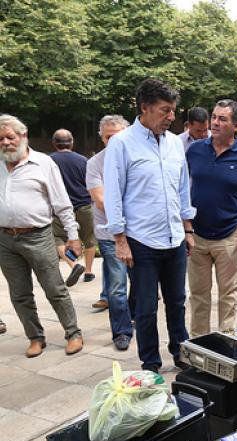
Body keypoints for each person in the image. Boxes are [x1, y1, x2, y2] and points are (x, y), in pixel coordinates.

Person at [102, 78, 196, 373]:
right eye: (165, 110)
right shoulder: (122, 144)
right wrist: (119, 239)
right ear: (144, 108)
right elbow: (114, 193)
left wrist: (188, 229)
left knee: (178, 302)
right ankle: (151, 364)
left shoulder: (174, 144)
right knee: (145, 309)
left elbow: (183, 189)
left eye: (173, 111)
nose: (171, 117)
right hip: (141, 242)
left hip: (174, 238)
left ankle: (181, 353)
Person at [0, 115, 83, 358]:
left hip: (38, 236)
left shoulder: (43, 163)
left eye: (10, 137)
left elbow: (62, 204)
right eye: (1, 139)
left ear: (23, 136)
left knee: (54, 289)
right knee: (19, 294)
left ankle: (73, 333)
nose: (5, 142)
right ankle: (35, 337)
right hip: (5, 240)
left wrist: (73, 236)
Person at [186, 100, 237, 336]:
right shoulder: (195, 150)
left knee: (228, 295)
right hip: (197, 236)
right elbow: (180, 189)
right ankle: (199, 345)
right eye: (214, 117)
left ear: (236, 126)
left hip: (230, 237)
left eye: (222, 119)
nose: (215, 122)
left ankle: (226, 344)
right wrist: (186, 227)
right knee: (198, 296)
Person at [85, 115, 134, 351]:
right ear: (102, 138)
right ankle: (122, 331)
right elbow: (101, 199)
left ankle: (133, 318)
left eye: (117, 136)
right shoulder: (95, 163)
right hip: (109, 234)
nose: (113, 141)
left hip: (140, 233)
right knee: (116, 286)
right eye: (108, 137)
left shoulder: (136, 157)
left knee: (142, 282)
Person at [49, 129, 95, 286]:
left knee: (57, 239)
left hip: (59, 209)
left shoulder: (48, 161)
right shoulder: (83, 160)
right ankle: (88, 272)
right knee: (89, 239)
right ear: (72, 142)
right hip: (83, 205)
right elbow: (90, 183)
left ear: (54, 143)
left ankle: (74, 264)